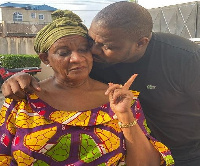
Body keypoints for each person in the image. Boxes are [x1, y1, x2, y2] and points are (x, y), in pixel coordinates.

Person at [4, 1, 197, 166]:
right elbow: (57, 72)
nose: (92, 52)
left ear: (140, 43)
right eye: (91, 42)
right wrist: (22, 78)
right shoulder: (93, 59)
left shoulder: (185, 60)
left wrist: (124, 115)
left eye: (106, 46)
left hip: (187, 153)